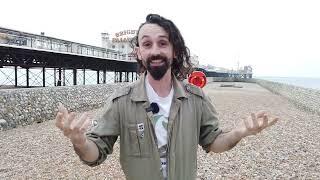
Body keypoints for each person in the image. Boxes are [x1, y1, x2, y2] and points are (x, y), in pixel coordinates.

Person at [55, 14, 279, 180]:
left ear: (175, 50)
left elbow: (213, 142)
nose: (155, 50)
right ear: (139, 53)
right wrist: (80, 141)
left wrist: (238, 133)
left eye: (163, 43)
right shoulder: (121, 101)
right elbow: (95, 154)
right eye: (146, 44)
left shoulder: (196, 99)